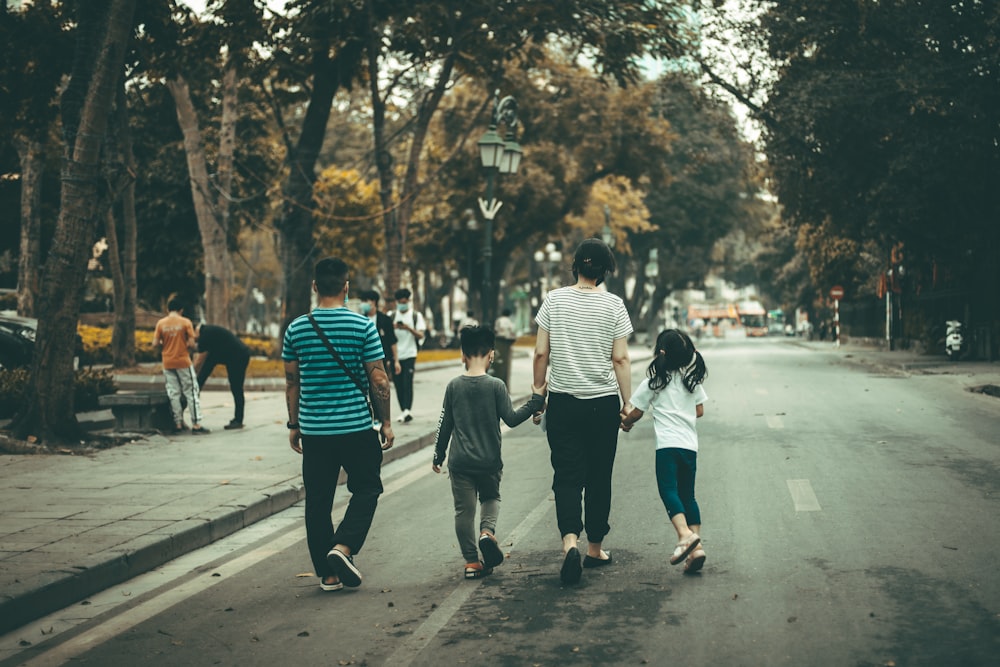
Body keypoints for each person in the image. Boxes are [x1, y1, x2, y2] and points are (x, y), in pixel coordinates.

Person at [282, 258, 395, 592]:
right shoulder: (363, 326)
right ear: (346, 288)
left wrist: (294, 423)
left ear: (315, 287)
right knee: (368, 488)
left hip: (315, 431)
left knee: (317, 500)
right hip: (356, 428)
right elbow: (379, 378)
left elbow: (292, 382)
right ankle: (343, 546)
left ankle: (328, 575)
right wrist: (386, 421)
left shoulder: (296, 329)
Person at [532, 238, 633, 584]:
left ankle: (569, 542)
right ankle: (594, 548)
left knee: (567, 475)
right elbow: (619, 358)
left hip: (563, 402)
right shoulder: (615, 306)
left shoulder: (553, 300)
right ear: (604, 271)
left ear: (575, 266)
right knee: (599, 475)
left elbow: (541, 353)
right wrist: (627, 402)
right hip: (602, 403)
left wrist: (537, 392)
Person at [432, 326, 546, 579]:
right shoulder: (496, 385)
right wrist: (536, 401)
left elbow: (445, 423)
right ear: (491, 355)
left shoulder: (453, 386)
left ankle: (472, 563)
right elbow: (512, 419)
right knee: (491, 498)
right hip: (489, 460)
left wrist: (438, 454)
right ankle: (487, 532)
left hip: (460, 462)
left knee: (463, 511)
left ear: (463, 355)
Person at [620, 329, 708, 573]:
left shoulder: (653, 382)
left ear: (661, 353)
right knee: (688, 495)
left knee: (668, 490)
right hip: (689, 446)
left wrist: (626, 422)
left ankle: (684, 536)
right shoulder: (691, 380)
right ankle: (696, 548)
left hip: (667, 447)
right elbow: (699, 411)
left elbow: (635, 411)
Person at [153, 297, 208, 434]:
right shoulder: (185, 322)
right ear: (181, 310)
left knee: (173, 393)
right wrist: (187, 349)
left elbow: (155, 344)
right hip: (183, 361)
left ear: (168, 309)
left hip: (167, 362)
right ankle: (196, 424)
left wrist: (165, 349)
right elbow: (191, 344)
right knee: (191, 391)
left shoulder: (161, 323)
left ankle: (177, 423)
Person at [193, 322, 251, 430]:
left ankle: (238, 420)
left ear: (195, 331)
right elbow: (205, 365)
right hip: (228, 355)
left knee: (236, 388)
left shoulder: (205, 334)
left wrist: (191, 372)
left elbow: (200, 360)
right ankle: (194, 415)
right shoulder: (208, 334)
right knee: (200, 380)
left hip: (238, 356)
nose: (193, 340)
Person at [392, 288, 426, 423]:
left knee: (407, 382)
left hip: (410, 354)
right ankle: (403, 411)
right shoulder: (391, 316)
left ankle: (407, 410)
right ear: (396, 302)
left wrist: (408, 328)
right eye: (400, 302)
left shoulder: (416, 316)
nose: (402, 305)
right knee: (398, 384)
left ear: (409, 301)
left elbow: (421, 334)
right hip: (395, 356)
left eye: (404, 302)